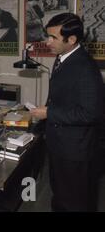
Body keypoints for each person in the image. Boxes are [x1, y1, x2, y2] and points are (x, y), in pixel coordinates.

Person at [30, 13, 103, 211]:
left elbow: (91, 113)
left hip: (75, 151)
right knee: (60, 195)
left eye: (53, 37)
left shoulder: (86, 68)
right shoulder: (62, 57)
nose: (47, 42)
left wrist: (48, 113)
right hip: (59, 144)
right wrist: (40, 124)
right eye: (48, 36)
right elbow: (58, 97)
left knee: (74, 202)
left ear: (71, 40)